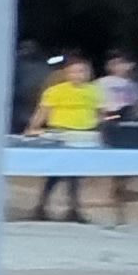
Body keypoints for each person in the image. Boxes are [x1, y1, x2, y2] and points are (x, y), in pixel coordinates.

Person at [29, 57, 102, 220]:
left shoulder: (95, 91)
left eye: (82, 71)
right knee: (54, 173)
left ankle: (74, 209)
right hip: (59, 134)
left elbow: (99, 113)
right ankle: (41, 207)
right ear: (66, 73)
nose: (78, 75)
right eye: (73, 72)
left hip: (84, 136)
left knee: (76, 174)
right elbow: (42, 112)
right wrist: (33, 127)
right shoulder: (55, 91)